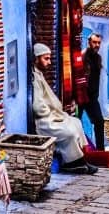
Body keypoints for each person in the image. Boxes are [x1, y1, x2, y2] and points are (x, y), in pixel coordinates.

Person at [32, 43, 98, 174]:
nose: (49, 62)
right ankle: (72, 163)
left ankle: (81, 159)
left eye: (49, 58)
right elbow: (38, 108)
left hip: (51, 116)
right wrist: (54, 115)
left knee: (76, 122)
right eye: (46, 58)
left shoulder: (39, 74)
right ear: (36, 59)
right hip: (44, 122)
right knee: (69, 133)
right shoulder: (34, 78)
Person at [77, 33, 105, 149]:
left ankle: (100, 151)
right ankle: (79, 151)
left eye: (99, 43)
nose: (97, 45)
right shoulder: (83, 56)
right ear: (89, 42)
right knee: (76, 123)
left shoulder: (98, 58)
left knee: (99, 122)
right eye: (94, 42)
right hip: (81, 96)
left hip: (92, 97)